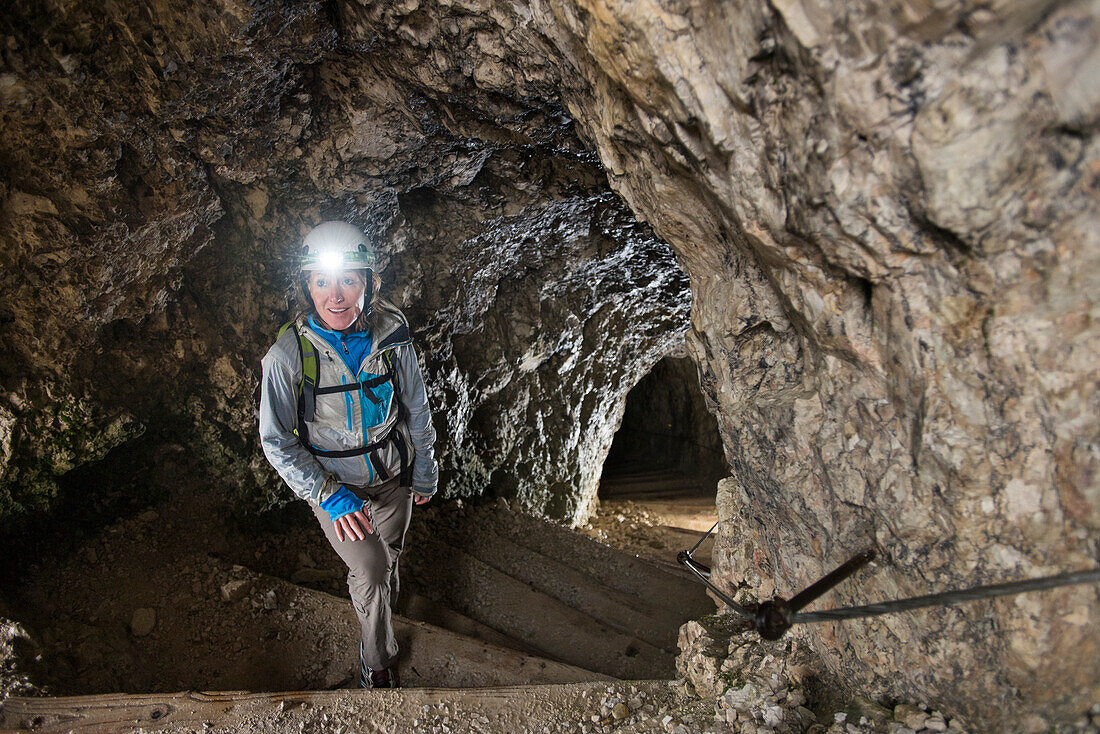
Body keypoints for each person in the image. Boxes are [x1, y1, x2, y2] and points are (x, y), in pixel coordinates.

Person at [258, 220, 438, 688]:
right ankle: (377, 662)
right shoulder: (288, 357)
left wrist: (424, 469)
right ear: (306, 288)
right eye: (320, 281)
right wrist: (327, 494)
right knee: (373, 569)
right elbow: (276, 439)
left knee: (388, 561)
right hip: (338, 490)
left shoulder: (392, 335)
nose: (335, 296)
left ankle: (380, 612)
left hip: (393, 479)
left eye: (348, 280)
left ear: (368, 283)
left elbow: (415, 405)